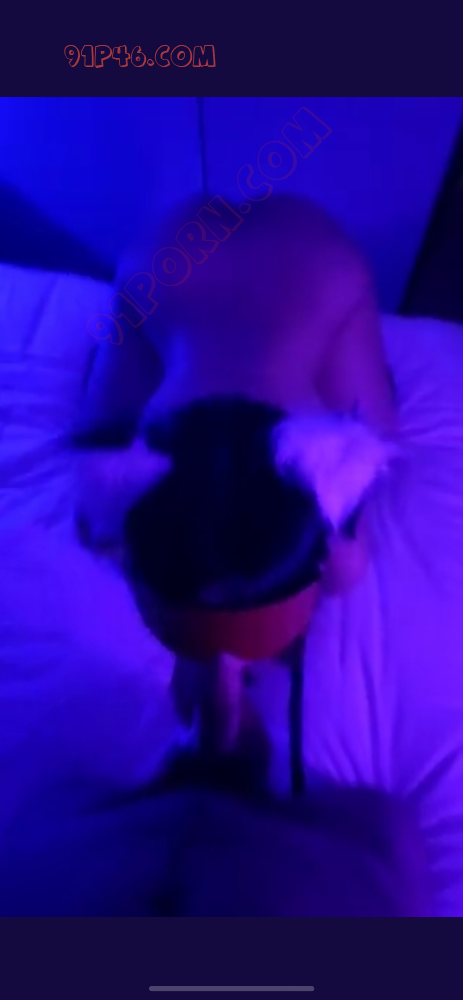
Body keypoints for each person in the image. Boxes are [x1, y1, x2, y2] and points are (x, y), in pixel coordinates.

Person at [70, 194, 430, 917]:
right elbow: (99, 465)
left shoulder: (331, 273)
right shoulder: (149, 272)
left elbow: (373, 443)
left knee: (363, 500)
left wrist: (342, 551)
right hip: (176, 255)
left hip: (270, 250)